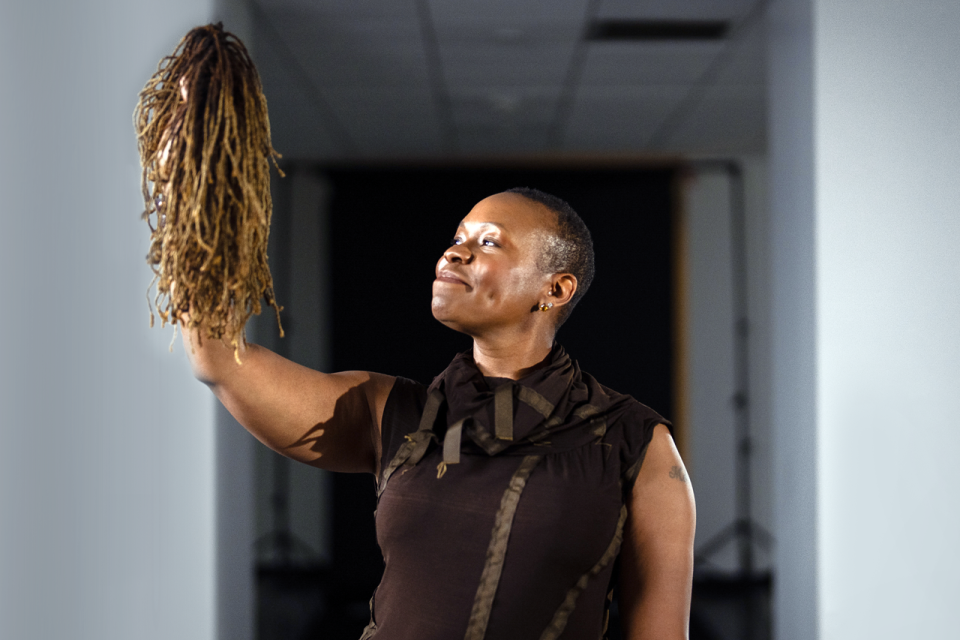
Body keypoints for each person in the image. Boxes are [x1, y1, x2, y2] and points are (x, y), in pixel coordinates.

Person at [181, 187, 695, 639]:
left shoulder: (636, 444)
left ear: (554, 289)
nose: (454, 252)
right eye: (457, 237)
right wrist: (195, 189)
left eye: (488, 242)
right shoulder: (391, 410)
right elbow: (217, 356)